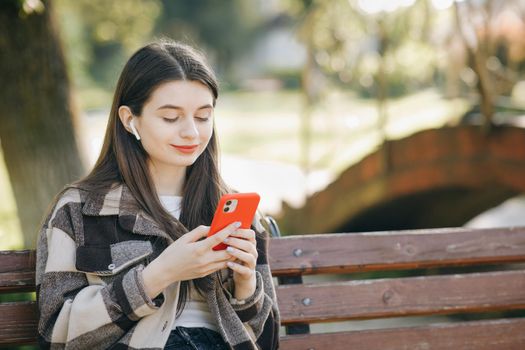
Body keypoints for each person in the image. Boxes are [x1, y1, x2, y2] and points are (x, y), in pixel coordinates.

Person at [35, 39, 280, 350]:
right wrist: (159, 274)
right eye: (170, 118)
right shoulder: (80, 209)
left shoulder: (234, 210)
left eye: (203, 116)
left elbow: (269, 341)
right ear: (129, 119)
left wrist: (246, 286)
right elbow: (55, 334)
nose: (191, 132)